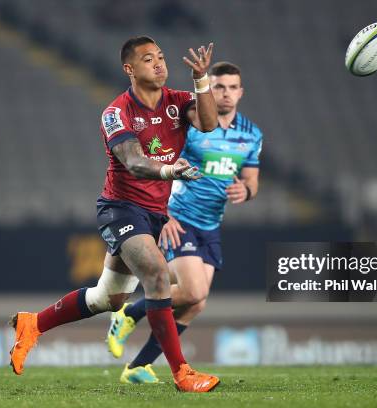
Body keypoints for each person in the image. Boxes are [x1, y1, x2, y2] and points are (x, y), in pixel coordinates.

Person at [9, 35, 221, 393]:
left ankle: (32, 324)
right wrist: (171, 171)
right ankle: (182, 373)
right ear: (130, 69)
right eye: (148, 59)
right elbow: (134, 162)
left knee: (108, 299)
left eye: (161, 57)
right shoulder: (116, 112)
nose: (159, 64)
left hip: (153, 214)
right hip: (120, 209)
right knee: (155, 274)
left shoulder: (178, 101)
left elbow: (209, 124)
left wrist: (201, 81)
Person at [107, 62, 262, 383]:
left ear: (241, 92)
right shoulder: (191, 127)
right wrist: (166, 215)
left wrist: (245, 190)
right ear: (208, 89)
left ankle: (138, 367)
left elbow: (252, 180)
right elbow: (161, 163)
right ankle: (129, 315)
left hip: (211, 224)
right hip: (180, 219)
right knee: (192, 290)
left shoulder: (251, 134)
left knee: (195, 302)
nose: (226, 94)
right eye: (219, 86)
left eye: (233, 87)